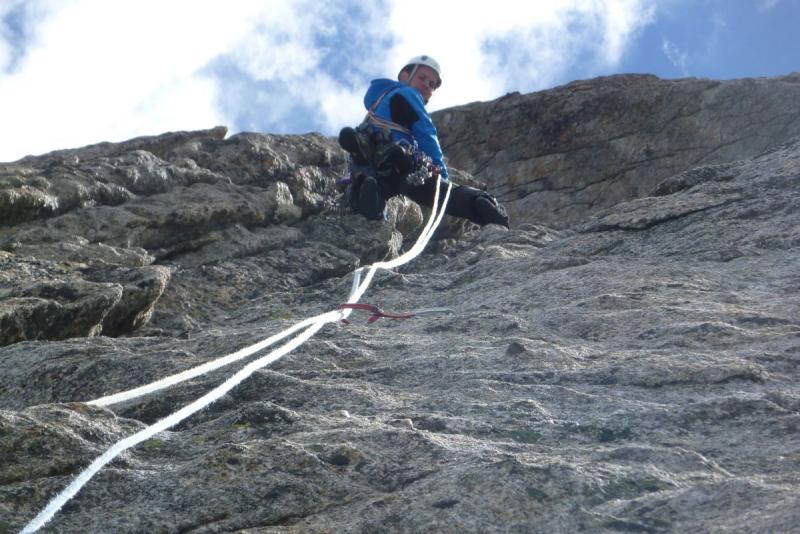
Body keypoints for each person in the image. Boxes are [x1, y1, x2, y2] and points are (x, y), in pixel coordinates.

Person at [338, 55, 509, 227]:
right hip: (399, 162)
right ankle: (480, 203)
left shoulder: (378, 103)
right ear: (404, 76)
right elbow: (426, 133)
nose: (427, 85)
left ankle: (368, 199)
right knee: (433, 189)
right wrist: (442, 175)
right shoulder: (408, 93)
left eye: (432, 84)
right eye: (422, 78)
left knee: (378, 186)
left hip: (371, 164)